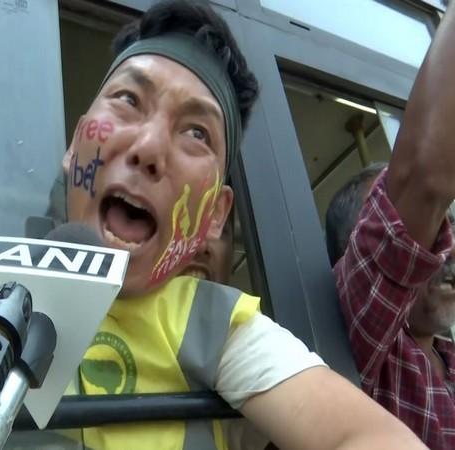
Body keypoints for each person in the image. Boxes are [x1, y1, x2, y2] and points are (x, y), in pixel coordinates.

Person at [64, 1, 424, 448]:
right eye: (128, 100)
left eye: (196, 133)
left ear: (215, 215)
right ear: (73, 144)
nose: (149, 148)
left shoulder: (215, 326)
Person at [330, 4, 455, 447]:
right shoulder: (365, 347)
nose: (441, 252)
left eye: (442, 227)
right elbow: (424, 178)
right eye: (418, 234)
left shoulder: (448, 353)